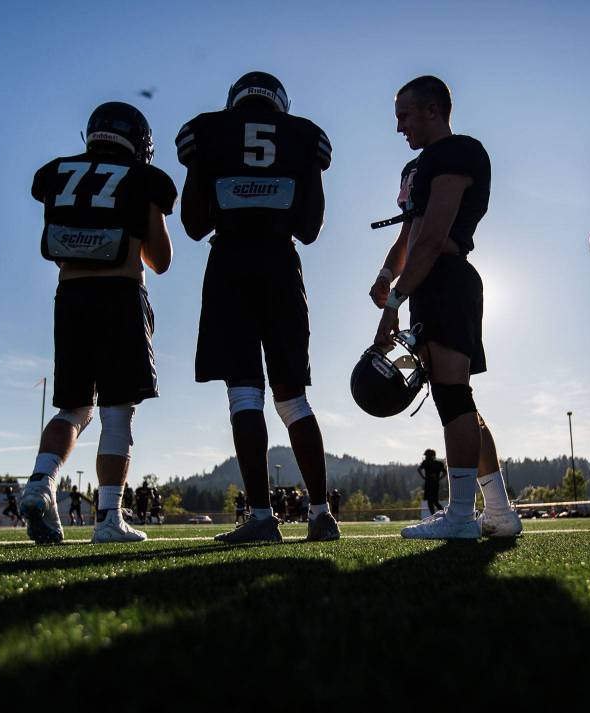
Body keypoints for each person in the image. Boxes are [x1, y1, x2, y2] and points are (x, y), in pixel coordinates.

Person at [176, 71, 340, 544]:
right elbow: (309, 229)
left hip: (229, 265)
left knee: (244, 395)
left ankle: (263, 518)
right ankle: (320, 513)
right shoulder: (305, 135)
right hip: (280, 264)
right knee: (293, 398)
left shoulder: (207, 130)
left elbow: (192, 224)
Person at [371, 76, 521, 539]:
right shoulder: (415, 168)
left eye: (405, 116)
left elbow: (434, 237)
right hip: (426, 283)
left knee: (453, 394)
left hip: (448, 278)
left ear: (432, 110)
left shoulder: (459, 152)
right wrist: (386, 275)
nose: (399, 128)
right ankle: (498, 511)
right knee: (455, 396)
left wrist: (393, 303)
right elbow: (409, 234)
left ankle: (460, 515)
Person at [21, 101, 176, 544]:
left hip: (69, 296)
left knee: (73, 407)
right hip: (120, 294)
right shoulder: (144, 179)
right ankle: (109, 517)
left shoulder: (59, 173)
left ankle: (40, 482)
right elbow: (160, 260)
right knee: (116, 412)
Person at [417, 448, 447, 515]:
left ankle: (436, 514)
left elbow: (419, 469)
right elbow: (445, 472)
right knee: (434, 501)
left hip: (429, 484)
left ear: (430, 456)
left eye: (427, 456)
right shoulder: (439, 463)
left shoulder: (426, 462)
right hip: (435, 484)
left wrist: (423, 477)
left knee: (431, 501)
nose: (426, 457)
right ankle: (443, 514)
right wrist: (439, 478)